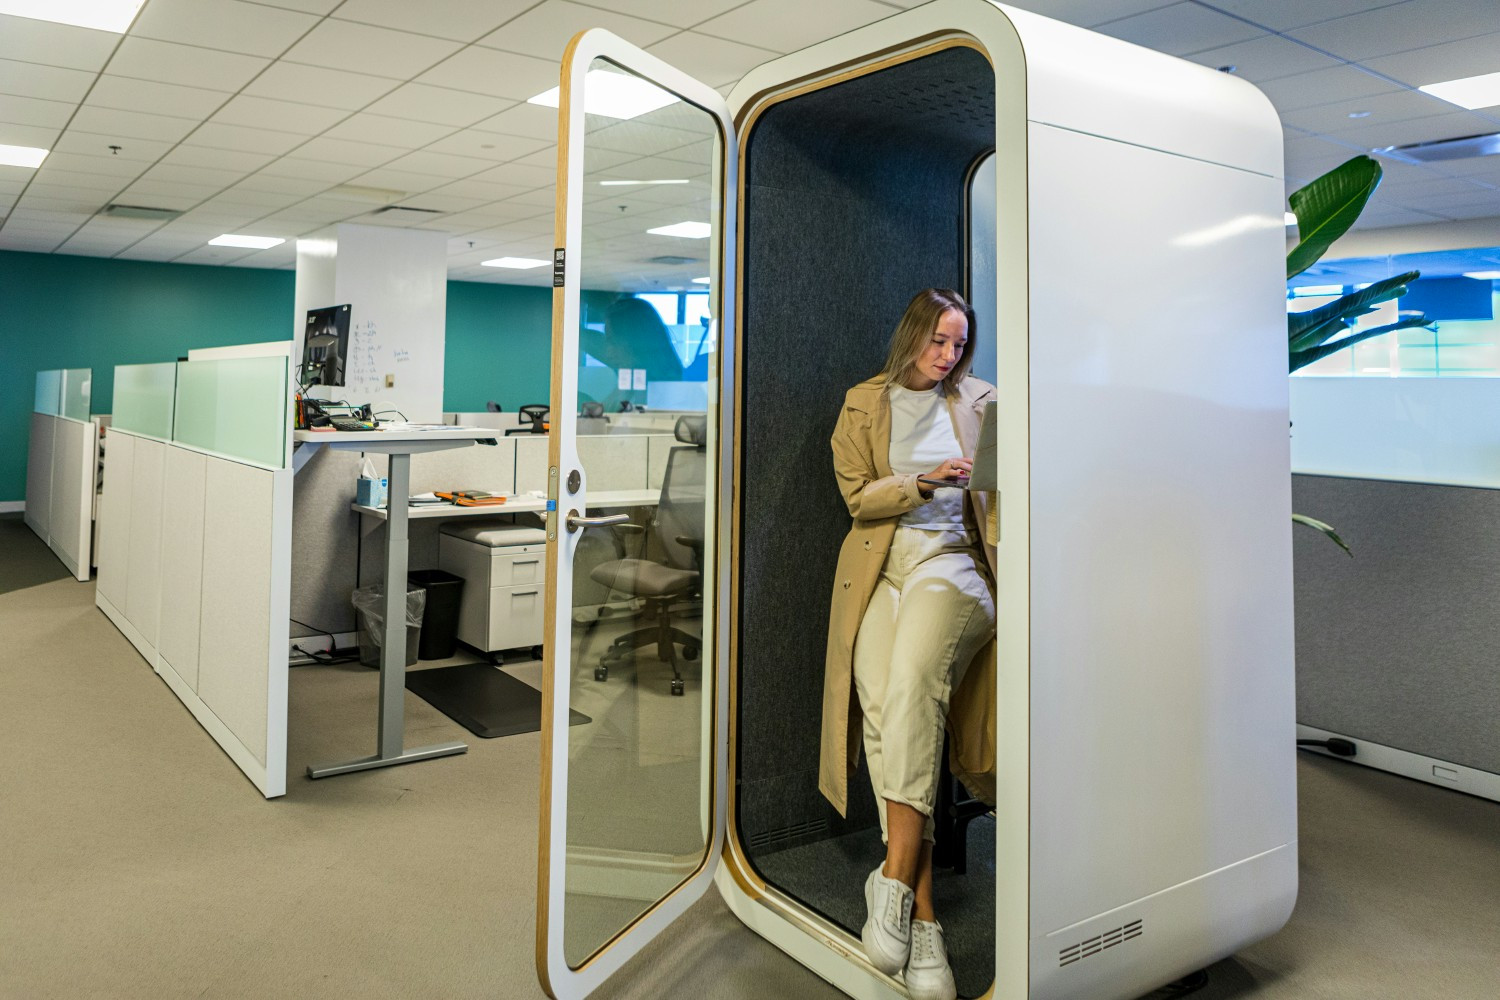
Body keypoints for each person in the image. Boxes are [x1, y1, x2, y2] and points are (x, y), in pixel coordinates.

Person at [819, 288, 997, 1000]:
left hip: (955, 563)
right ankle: (922, 919)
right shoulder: (863, 402)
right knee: (880, 705)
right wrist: (921, 482)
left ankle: (889, 876)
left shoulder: (984, 401)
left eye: (959, 344)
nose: (949, 356)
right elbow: (858, 499)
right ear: (912, 336)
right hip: (880, 565)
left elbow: (1009, 497)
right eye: (938, 342)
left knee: (915, 679)